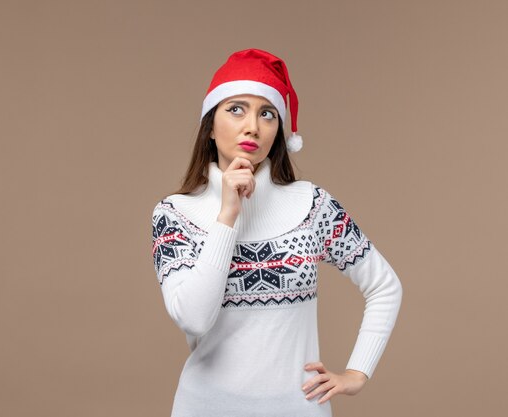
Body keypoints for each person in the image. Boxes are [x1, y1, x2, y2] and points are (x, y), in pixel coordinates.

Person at [150, 48, 403, 417]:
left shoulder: (312, 206)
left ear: (278, 131)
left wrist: (357, 371)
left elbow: (385, 286)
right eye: (236, 109)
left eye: (266, 113)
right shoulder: (174, 215)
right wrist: (227, 215)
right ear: (210, 125)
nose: (252, 125)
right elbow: (194, 318)